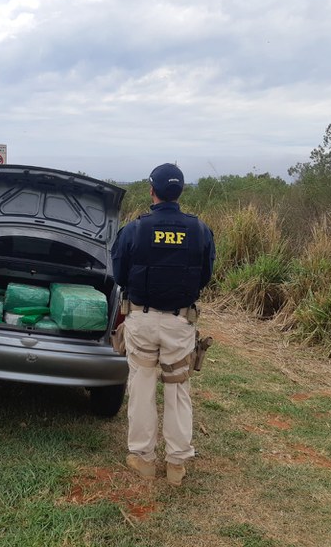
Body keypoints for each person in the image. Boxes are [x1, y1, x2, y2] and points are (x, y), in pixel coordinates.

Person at [111, 163, 215, 486]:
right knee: (178, 388)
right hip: (180, 323)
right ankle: (176, 466)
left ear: (152, 191)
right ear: (180, 191)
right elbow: (206, 276)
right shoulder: (200, 231)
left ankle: (142, 459)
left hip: (141, 320)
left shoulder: (134, 229)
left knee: (141, 386)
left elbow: (118, 275)